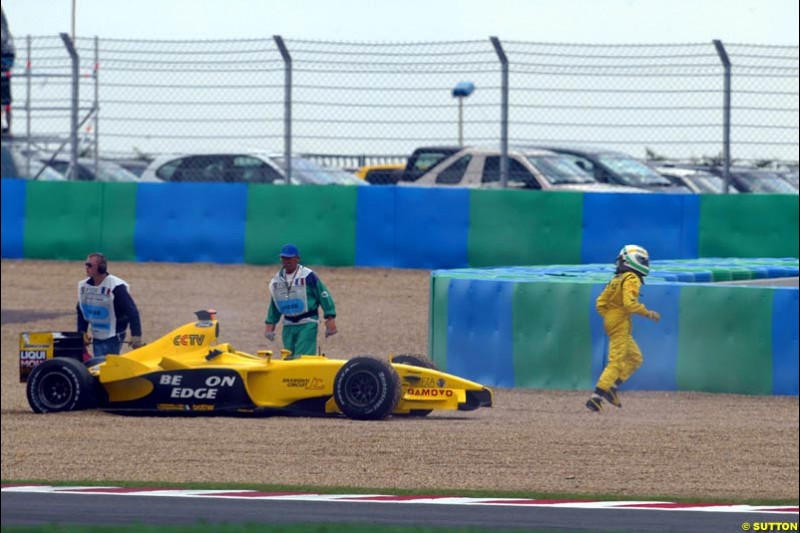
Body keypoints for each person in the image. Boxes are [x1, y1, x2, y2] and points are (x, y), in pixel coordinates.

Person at [586, 244, 660, 412]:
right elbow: (630, 304)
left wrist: (611, 316)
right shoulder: (632, 278)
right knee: (616, 361)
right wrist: (648, 314)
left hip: (612, 320)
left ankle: (612, 388)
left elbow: (600, 303)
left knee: (636, 358)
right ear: (633, 261)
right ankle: (596, 397)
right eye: (643, 261)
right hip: (619, 322)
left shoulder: (617, 278)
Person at [264, 244, 337, 359]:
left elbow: (323, 294)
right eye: (284, 258)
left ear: (297, 259)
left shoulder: (308, 276)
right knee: (288, 356)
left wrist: (330, 317)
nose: (286, 261)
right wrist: (270, 324)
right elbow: (275, 302)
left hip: (307, 322)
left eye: (289, 258)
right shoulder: (277, 279)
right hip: (288, 325)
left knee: (303, 357)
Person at [77, 252, 143, 360]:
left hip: (114, 334)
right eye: (86, 264)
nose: (86, 268)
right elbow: (82, 310)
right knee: (101, 364)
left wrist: (136, 335)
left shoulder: (116, 286)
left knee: (104, 365)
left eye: (90, 265)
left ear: (101, 268)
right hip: (97, 334)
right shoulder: (84, 286)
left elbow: (132, 311)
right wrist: (82, 331)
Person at [1, 7, 14, 135]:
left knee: (6, 101)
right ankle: (8, 129)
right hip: (6, 63)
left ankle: (9, 129)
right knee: (6, 101)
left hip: (4, 63)